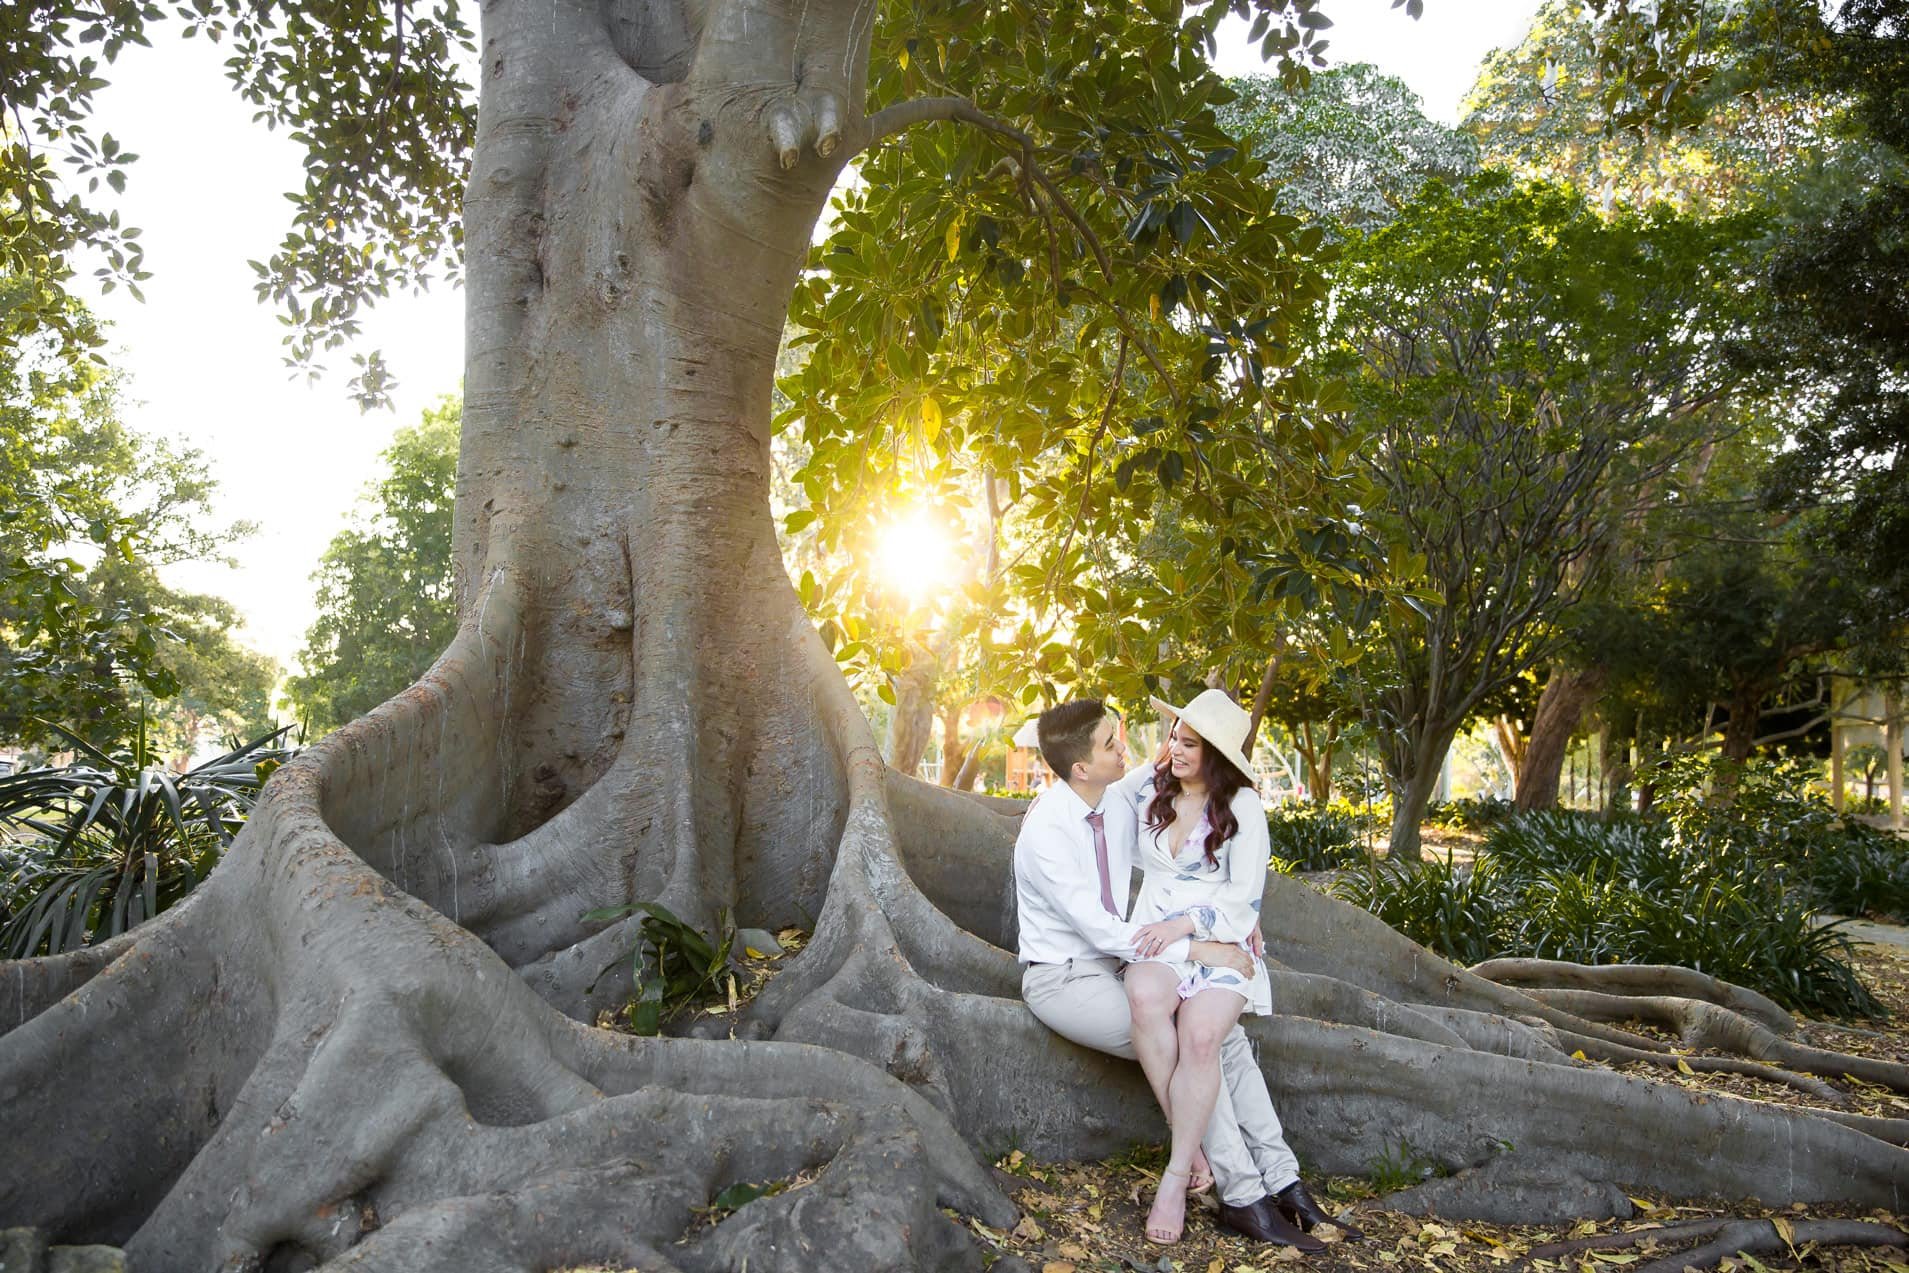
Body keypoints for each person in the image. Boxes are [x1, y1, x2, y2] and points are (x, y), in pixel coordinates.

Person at [1014, 699, 1342, 1252]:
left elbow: (1194, 789)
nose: (1134, 750)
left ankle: (1283, 1179)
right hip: (1065, 977)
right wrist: (1204, 947)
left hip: (1123, 962)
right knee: (1198, 1047)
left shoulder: (1120, 795)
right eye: (1112, 744)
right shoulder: (1047, 829)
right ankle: (1234, 1187)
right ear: (1080, 768)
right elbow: (1100, 929)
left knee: (1219, 1038)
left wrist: (1243, 918)